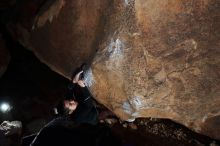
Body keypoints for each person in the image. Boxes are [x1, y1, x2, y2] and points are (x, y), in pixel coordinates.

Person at [29, 66, 121, 146]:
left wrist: (74, 81)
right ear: (70, 111)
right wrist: (83, 87)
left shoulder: (69, 104)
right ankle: (119, 116)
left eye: (69, 101)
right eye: (70, 104)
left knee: (80, 95)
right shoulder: (78, 117)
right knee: (103, 112)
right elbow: (89, 104)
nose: (72, 101)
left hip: (86, 107)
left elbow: (69, 90)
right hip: (93, 118)